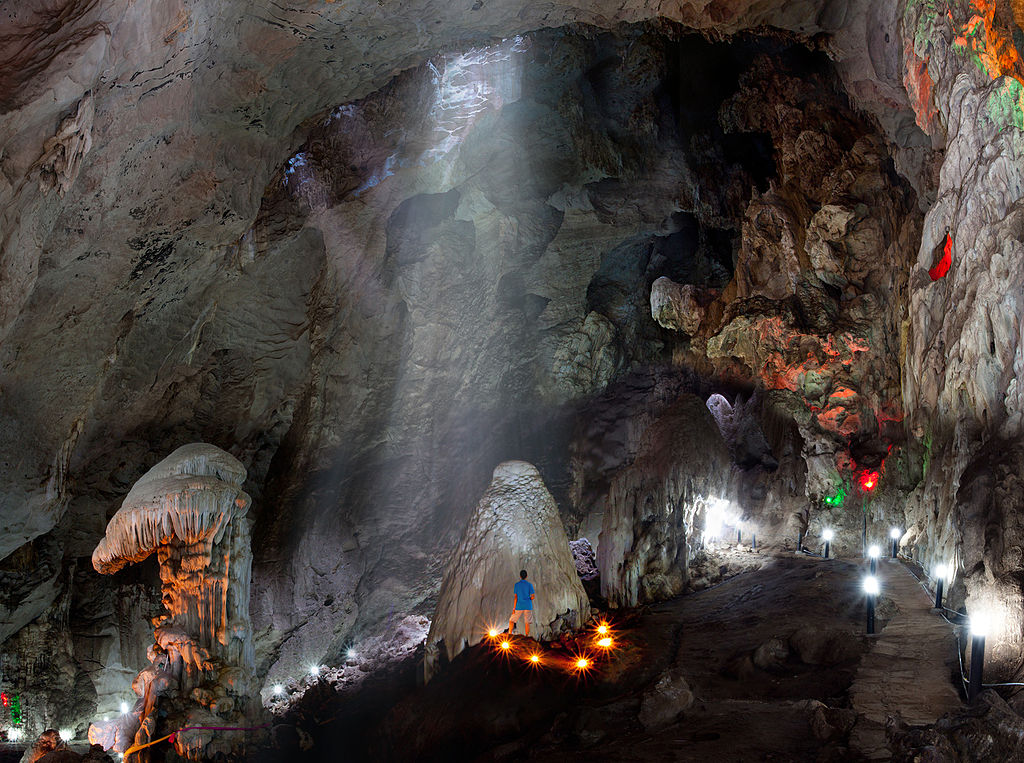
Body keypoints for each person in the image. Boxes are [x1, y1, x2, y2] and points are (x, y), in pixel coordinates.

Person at [508, 569, 535, 637]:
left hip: (519, 605)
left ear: (520, 576)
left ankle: (509, 634)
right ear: (526, 576)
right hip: (528, 605)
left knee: (511, 620)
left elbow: (516, 597)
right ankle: (527, 636)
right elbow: (533, 596)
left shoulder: (517, 585)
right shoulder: (529, 585)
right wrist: (528, 599)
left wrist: (514, 608)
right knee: (527, 622)